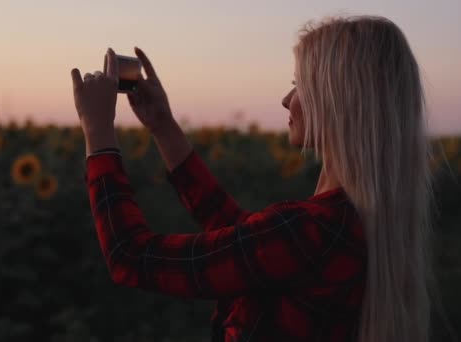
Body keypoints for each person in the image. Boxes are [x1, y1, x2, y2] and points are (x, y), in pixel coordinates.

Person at [71, 14, 437, 342]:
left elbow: (130, 256)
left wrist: (98, 132)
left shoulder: (308, 230)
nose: (286, 99)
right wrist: (163, 127)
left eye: (301, 85)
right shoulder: (352, 220)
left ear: (340, 100)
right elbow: (242, 234)